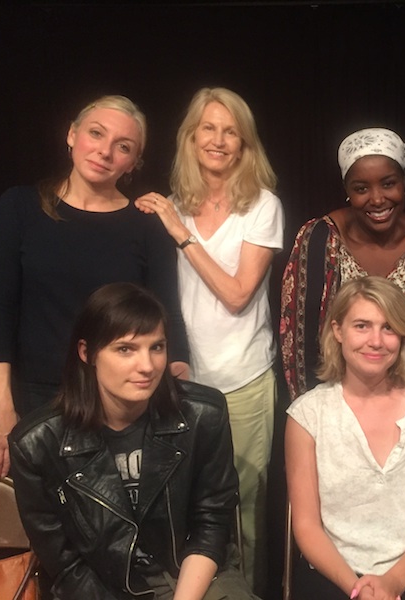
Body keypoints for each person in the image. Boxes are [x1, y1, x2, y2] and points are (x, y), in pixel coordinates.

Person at [0, 95, 189, 482]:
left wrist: (177, 398)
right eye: (96, 133)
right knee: (41, 532)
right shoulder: (20, 207)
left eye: (123, 146)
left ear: (133, 163)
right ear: (72, 135)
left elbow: (165, 315)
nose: (105, 151)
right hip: (36, 400)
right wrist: (0, 407)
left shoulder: (146, 225)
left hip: (119, 404)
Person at [8, 282, 256, 600]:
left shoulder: (202, 415)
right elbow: (66, 565)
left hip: (190, 575)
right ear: (87, 353)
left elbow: (211, 524)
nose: (148, 366)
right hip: (98, 587)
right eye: (126, 349)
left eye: (157, 347)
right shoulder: (37, 444)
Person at [135, 87, 283, 594]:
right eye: (209, 128)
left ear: (245, 144)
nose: (219, 140)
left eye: (231, 131)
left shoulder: (261, 205)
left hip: (242, 379)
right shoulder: (171, 206)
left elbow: (239, 294)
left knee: (244, 510)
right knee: (183, 508)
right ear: (191, 137)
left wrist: (181, 234)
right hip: (180, 383)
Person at [286, 276, 405, 600]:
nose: (376, 341)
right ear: (338, 331)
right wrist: (356, 589)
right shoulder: (308, 414)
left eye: (389, 328)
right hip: (334, 573)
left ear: (403, 335)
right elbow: (307, 526)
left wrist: (394, 581)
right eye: (362, 326)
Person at [280, 127, 405, 406]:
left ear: (404, 183)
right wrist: (314, 420)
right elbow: (297, 346)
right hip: (335, 412)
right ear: (347, 191)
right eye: (361, 188)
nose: (377, 199)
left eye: (388, 183)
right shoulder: (319, 240)